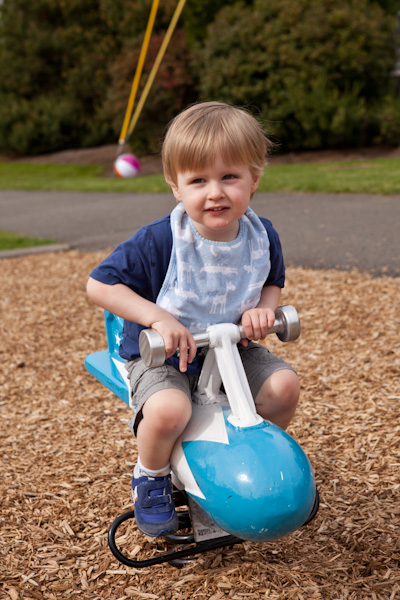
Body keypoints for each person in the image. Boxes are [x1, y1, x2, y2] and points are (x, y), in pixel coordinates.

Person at [87, 101, 300, 538]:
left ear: (254, 179)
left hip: (230, 349)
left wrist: (263, 305)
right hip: (166, 355)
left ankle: (237, 459)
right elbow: (100, 285)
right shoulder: (162, 239)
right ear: (176, 186)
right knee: (169, 411)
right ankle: (151, 476)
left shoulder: (262, 236)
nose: (215, 192)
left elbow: (272, 279)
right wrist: (157, 318)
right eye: (198, 180)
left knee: (283, 387)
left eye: (229, 177)